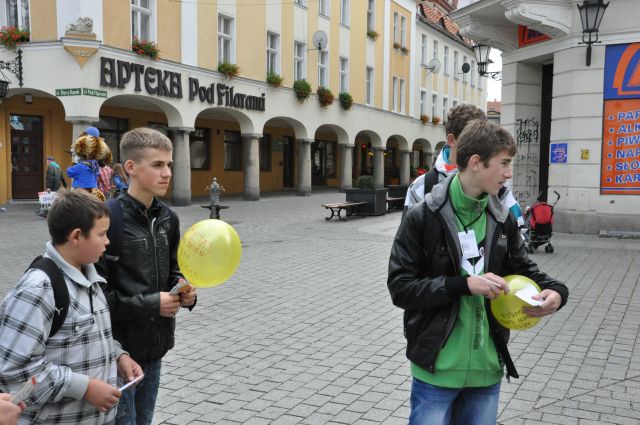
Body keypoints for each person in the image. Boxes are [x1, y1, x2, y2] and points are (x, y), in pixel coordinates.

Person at [387, 120, 569, 425]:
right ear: (476, 162)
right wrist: (463, 285)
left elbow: (526, 270)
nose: (509, 173)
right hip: (436, 369)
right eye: (504, 163)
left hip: (487, 369)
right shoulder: (423, 216)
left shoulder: (503, 218)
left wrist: (557, 293)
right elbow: (401, 288)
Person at [0, 190, 142, 425]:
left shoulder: (91, 278)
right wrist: (84, 388)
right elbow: (15, 370)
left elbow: (89, 336)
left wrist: (118, 356)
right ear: (76, 236)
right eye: (102, 234)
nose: (108, 241)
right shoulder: (38, 289)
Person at [96, 128, 197, 425]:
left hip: (155, 348)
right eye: (157, 165)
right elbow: (95, 296)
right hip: (118, 353)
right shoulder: (108, 219)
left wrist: (184, 291)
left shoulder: (169, 217)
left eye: (169, 164)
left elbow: (173, 270)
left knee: (143, 420)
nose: (167, 173)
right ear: (131, 168)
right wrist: (152, 304)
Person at [403, 104, 525, 227]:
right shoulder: (422, 186)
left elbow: (518, 233)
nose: (482, 145)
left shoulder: (497, 185)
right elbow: (408, 240)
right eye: (470, 136)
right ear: (451, 140)